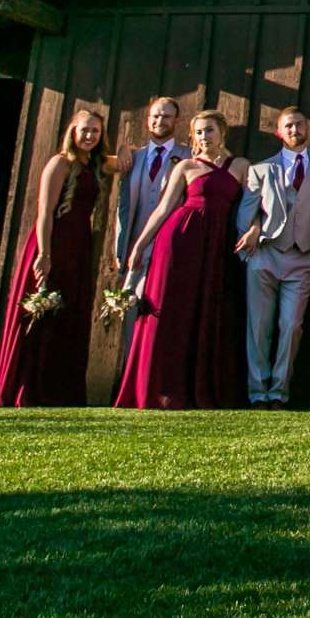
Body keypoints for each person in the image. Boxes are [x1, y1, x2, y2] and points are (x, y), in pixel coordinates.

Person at [117, 109, 250, 410]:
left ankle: (200, 386)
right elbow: (164, 209)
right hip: (179, 242)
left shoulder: (240, 166)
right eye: (199, 132)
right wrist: (140, 245)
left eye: (210, 130)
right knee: (172, 310)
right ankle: (159, 387)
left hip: (218, 246)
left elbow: (254, 205)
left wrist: (254, 229)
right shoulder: (186, 166)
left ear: (222, 132)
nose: (204, 137)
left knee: (209, 309)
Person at [0, 107, 107, 407]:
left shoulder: (94, 165)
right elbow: (44, 212)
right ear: (73, 130)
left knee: (68, 312)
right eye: (85, 129)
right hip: (53, 242)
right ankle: (29, 390)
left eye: (95, 131)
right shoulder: (60, 163)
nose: (90, 136)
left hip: (78, 247)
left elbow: (126, 160)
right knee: (43, 309)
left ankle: (59, 390)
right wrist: (44, 253)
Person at [235, 105, 310, 409]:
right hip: (266, 255)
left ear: (307, 127)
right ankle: (258, 393)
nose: (295, 130)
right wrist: (253, 234)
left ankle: (279, 393)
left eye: (299, 124)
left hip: (303, 256)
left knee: (291, 325)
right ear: (279, 132)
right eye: (289, 126)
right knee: (259, 326)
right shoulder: (261, 169)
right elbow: (246, 214)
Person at [109, 95, 184, 316]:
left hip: (169, 245)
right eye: (155, 116)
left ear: (176, 121)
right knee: (130, 312)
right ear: (147, 119)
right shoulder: (132, 156)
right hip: (133, 245)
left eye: (167, 116)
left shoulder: (189, 156)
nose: (160, 120)